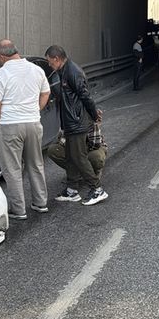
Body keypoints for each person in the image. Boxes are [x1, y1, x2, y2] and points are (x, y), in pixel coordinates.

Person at [0, 39, 51, 220]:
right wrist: (36, 109)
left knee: (12, 169)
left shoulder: (1, 74)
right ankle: (40, 203)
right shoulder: (36, 70)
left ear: (1, 56)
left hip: (9, 125)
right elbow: (46, 92)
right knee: (36, 164)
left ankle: (18, 209)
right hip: (33, 123)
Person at [44, 45, 107, 206]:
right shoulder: (63, 71)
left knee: (79, 157)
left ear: (57, 59)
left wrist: (94, 115)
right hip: (71, 122)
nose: (49, 65)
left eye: (50, 62)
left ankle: (97, 189)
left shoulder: (73, 71)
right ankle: (72, 190)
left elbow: (85, 96)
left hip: (77, 122)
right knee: (71, 156)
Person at [46, 123, 107, 188]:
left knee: (95, 157)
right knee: (53, 150)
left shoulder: (88, 118)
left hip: (91, 148)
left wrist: (79, 150)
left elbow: (95, 144)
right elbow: (61, 141)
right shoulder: (67, 118)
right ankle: (76, 173)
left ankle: (94, 173)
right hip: (75, 147)